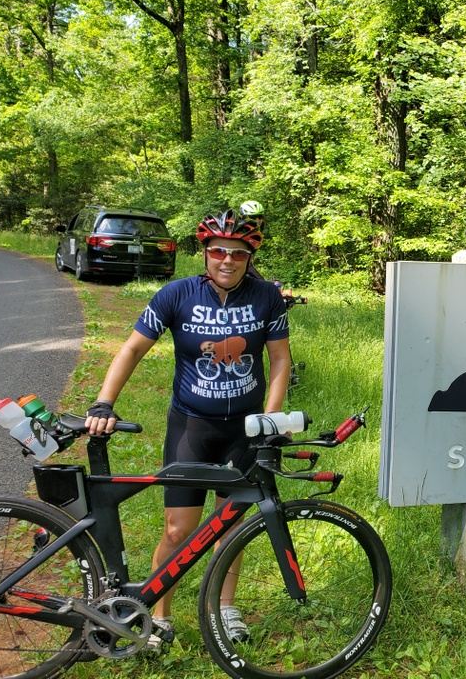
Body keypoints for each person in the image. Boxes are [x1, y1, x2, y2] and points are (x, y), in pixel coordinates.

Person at [85, 208, 291, 650]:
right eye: (218, 251)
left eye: (238, 253)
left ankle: (225, 608)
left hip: (244, 429)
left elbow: (279, 360)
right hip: (191, 427)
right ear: (204, 252)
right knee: (179, 530)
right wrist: (104, 402)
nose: (227, 260)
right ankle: (159, 615)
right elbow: (132, 349)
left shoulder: (266, 298)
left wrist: (270, 419)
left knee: (229, 526)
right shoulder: (176, 294)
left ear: (250, 257)